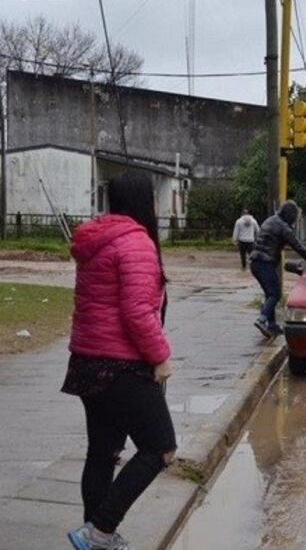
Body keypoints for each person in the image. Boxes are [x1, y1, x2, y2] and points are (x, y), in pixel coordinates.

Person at [63, 171, 175, 550]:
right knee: (159, 448)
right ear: (146, 202)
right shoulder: (136, 243)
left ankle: (94, 536)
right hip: (121, 364)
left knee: (103, 452)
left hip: (87, 362)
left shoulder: (98, 238)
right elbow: (137, 312)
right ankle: (100, 530)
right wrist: (161, 358)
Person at [249, 200, 306, 338]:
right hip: (265, 263)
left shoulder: (270, 220)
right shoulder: (283, 227)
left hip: (255, 263)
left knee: (269, 293)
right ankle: (262, 320)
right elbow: (298, 246)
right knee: (275, 294)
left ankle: (272, 325)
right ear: (291, 215)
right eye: (295, 216)